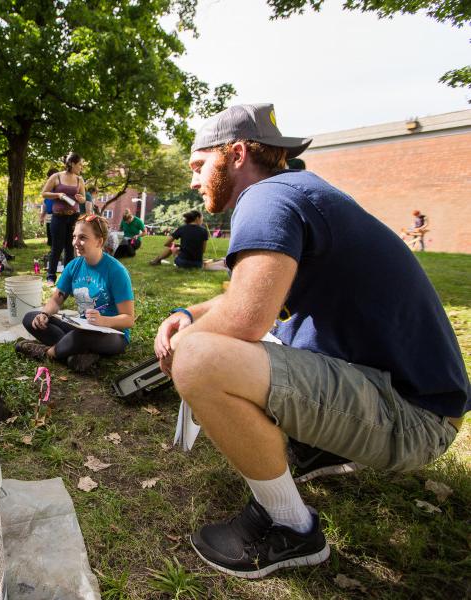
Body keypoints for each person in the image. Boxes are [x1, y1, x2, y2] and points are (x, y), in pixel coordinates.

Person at [153, 103, 468, 578]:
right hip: (411, 397)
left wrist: (187, 344)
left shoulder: (266, 199)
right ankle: (324, 446)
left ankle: (291, 527)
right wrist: (185, 313)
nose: (194, 181)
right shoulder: (301, 191)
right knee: (228, 343)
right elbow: (251, 296)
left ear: (236, 154)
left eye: (199, 166)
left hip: (413, 420)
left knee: (199, 358)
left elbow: (246, 319)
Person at [16, 215, 134, 372]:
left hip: (113, 335)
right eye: (74, 237)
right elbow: (56, 300)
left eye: (83, 237)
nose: (75, 243)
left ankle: (47, 353)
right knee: (30, 318)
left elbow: (128, 319)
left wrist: (103, 321)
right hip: (82, 327)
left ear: (99, 241)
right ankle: (76, 354)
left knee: (80, 337)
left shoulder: (116, 271)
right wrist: (44, 314)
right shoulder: (73, 266)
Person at [42, 153, 89, 284]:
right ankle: (51, 277)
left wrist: (81, 199)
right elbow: (44, 193)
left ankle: (68, 277)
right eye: (79, 164)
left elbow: (84, 198)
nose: (81, 167)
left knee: (70, 247)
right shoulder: (56, 177)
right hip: (58, 217)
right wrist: (58, 195)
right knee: (56, 247)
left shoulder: (80, 180)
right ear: (72, 164)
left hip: (73, 217)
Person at [39, 168, 59, 248]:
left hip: (58, 216)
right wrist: (42, 217)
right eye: (49, 177)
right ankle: (53, 255)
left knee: (58, 239)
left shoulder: (60, 189)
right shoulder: (48, 190)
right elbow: (45, 204)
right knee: (51, 240)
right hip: (49, 217)